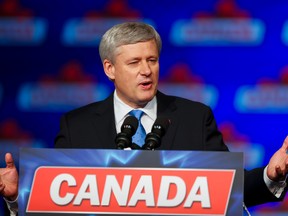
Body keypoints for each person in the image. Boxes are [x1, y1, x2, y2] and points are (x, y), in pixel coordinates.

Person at [1, 22, 288, 215]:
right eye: (134, 62)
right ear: (110, 69)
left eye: (152, 60)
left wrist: (269, 176)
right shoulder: (77, 125)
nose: (146, 70)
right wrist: (16, 197)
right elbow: (58, 200)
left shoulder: (194, 117)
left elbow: (227, 189)